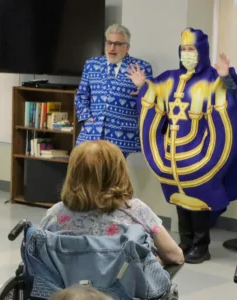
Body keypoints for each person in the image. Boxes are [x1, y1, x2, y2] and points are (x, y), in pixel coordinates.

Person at [126, 27, 237, 264]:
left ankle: (201, 244)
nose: (187, 53)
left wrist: (227, 76)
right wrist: (143, 86)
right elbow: (152, 97)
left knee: (199, 198)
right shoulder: (169, 78)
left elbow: (234, 98)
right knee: (179, 197)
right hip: (172, 152)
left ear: (202, 52)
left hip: (203, 153)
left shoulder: (213, 78)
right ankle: (185, 241)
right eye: (184, 49)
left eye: (192, 49)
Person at [40, 140, 184, 266]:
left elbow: (40, 257)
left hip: (68, 292)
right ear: (119, 172)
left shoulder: (55, 214)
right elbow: (175, 256)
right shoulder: (136, 210)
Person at [75, 24, 153, 158]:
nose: (112, 48)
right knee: (86, 174)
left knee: (112, 177)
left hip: (122, 136)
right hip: (91, 132)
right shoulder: (92, 64)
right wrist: (87, 118)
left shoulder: (141, 67)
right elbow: (81, 96)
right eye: (109, 43)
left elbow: (150, 103)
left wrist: (142, 87)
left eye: (117, 44)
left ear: (127, 47)